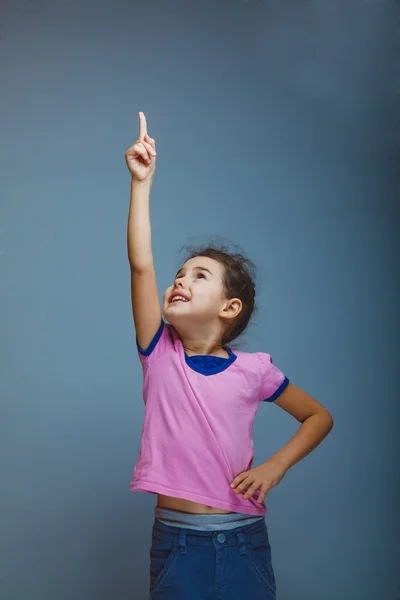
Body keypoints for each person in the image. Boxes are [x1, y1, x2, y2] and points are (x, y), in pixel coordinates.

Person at [125, 112, 334, 599]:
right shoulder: (160, 352)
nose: (180, 280)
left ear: (228, 307)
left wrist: (274, 467)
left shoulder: (254, 370)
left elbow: (318, 417)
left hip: (243, 542)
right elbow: (140, 263)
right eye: (179, 274)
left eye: (199, 276)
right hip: (176, 543)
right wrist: (141, 183)